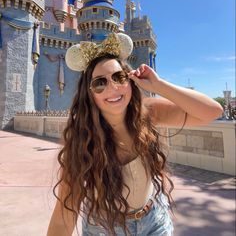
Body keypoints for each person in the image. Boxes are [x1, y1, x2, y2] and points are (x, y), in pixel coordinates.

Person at [47, 33, 223, 236]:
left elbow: (212, 111)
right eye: (99, 83)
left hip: (154, 221)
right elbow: (63, 218)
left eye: (119, 77)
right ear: (89, 93)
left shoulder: (148, 112)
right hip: (105, 228)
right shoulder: (81, 142)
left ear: (130, 80)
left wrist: (158, 85)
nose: (112, 87)